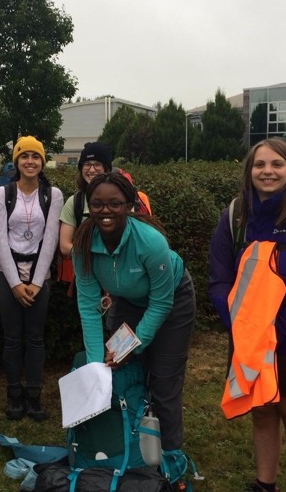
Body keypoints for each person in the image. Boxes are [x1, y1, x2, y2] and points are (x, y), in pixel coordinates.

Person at [208, 137, 286, 492]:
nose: (268, 171)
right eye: (260, 164)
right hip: (248, 340)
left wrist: (276, 331)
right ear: (249, 171)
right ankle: (264, 485)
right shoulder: (234, 217)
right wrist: (241, 327)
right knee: (262, 413)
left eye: (277, 164)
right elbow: (219, 280)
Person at [71, 171, 196, 454]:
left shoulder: (151, 242)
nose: (105, 210)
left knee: (163, 382)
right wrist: (94, 368)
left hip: (173, 301)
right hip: (128, 301)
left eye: (114, 203)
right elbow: (89, 307)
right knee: (120, 371)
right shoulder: (83, 245)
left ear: (129, 205)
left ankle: (169, 457)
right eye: (97, 204)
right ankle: (131, 451)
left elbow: (161, 303)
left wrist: (132, 346)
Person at [0, 136, 63, 421]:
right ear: (16, 161)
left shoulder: (52, 195)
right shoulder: (3, 194)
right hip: (6, 273)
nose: (30, 161)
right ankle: (14, 394)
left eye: (35, 156)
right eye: (24, 156)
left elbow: (51, 240)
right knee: (12, 338)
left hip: (38, 274)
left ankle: (33, 395)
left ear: (42, 162)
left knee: (35, 337)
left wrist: (36, 282)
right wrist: (15, 284)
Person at [58, 142, 112, 290]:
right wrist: (94, 257)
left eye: (97, 164)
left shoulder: (120, 198)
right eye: (87, 164)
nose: (91, 169)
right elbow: (64, 246)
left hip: (118, 277)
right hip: (86, 278)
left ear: (106, 168)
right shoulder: (75, 202)